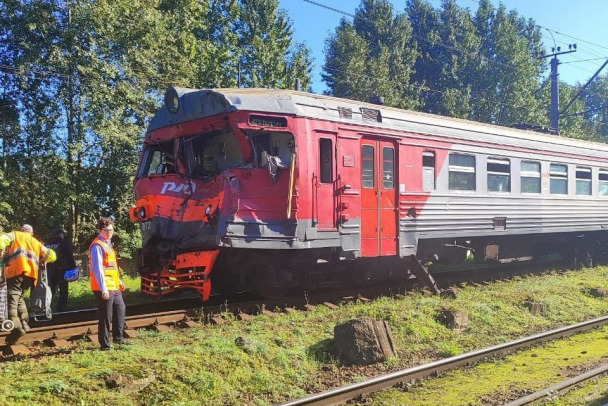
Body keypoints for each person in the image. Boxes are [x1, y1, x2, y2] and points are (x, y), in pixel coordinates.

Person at [0, 224, 56, 344]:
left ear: (22, 231)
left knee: (12, 298)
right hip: (31, 274)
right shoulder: (36, 242)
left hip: (16, 271)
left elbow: (1, 241)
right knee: (20, 298)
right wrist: (42, 261)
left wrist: (1, 251)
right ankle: (24, 322)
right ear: (30, 233)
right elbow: (52, 255)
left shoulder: (14, 235)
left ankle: (16, 328)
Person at [88, 217, 130, 350]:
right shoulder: (97, 245)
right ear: (99, 230)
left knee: (120, 309)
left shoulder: (108, 244)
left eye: (111, 230)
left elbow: (111, 267)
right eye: (106, 230)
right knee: (106, 315)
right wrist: (103, 289)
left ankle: (118, 338)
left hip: (114, 285)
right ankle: (105, 345)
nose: (109, 232)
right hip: (104, 286)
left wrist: (118, 280)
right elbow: (98, 268)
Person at [45, 228, 76, 312]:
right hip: (62, 271)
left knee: (50, 290)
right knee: (63, 290)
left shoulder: (47, 244)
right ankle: (61, 309)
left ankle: (47, 307)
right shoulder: (63, 243)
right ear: (60, 234)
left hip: (50, 271)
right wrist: (73, 267)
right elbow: (69, 256)